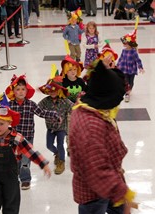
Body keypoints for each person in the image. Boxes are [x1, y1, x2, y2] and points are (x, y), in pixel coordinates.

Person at [69, 48, 137, 214]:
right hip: (95, 193)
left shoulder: (85, 104)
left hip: (106, 185)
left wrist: (99, 67)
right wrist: (123, 194)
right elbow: (97, 170)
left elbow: (90, 82)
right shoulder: (91, 127)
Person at [5, 74, 60, 190]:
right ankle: (16, 175)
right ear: (13, 91)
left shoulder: (30, 105)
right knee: (16, 159)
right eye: (17, 89)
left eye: (23, 89)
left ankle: (25, 179)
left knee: (25, 160)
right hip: (14, 138)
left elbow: (42, 112)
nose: (20, 92)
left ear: (27, 91)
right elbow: (1, 116)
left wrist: (54, 115)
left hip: (28, 137)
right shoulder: (9, 106)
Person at [38, 68, 73, 175]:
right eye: (50, 90)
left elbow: (73, 107)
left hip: (61, 128)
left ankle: (61, 162)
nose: (52, 92)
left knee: (60, 144)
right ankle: (57, 154)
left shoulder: (64, 101)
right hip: (50, 127)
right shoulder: (45, 101)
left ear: (59, 90)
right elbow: (37, 108)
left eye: (55, 90)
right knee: (49, 145)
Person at [61, 55, 86, 156]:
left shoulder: (80, 81)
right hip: (68, 111)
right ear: (65, 70)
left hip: (80, 110)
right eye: (70, 69)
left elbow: (87, 91)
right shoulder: (63, 82)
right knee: (69, 130)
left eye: (75, 69)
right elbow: (60, 96)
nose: (73, 72)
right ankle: (70, 148)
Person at [117, 16, 145, 102]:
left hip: (132, 69)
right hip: (125, 69)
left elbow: (138, 60)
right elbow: (121, 59)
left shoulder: (133, 52)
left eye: (125, 42)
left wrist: (140, 67)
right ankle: (127, 93)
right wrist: (117, 66)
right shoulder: (123, 51)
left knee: (131, 81)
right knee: (126, 81)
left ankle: (129, 90)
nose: (124, 44)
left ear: (130, 43)